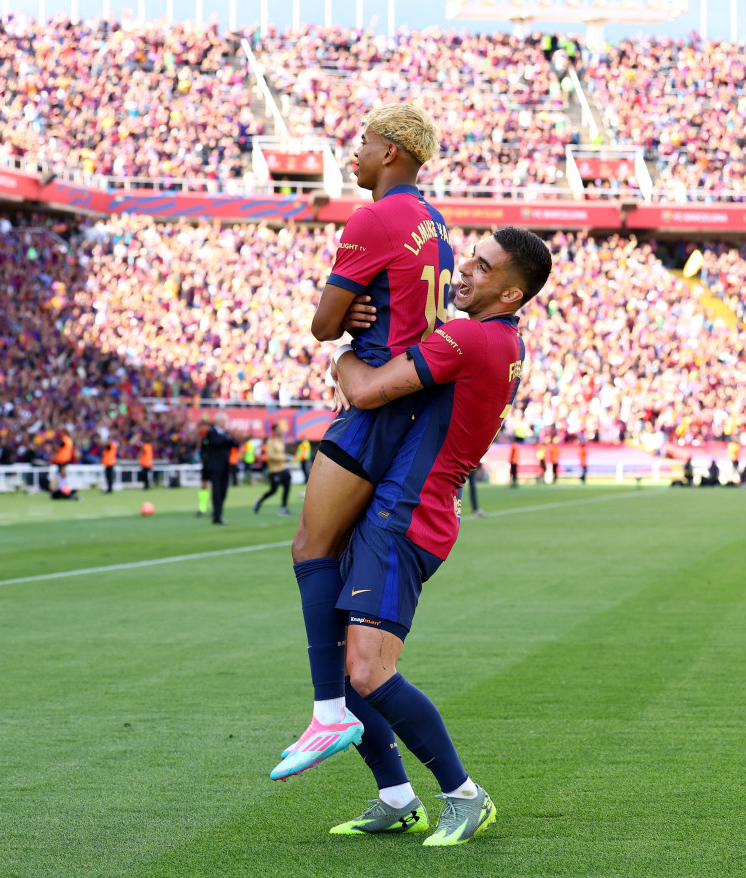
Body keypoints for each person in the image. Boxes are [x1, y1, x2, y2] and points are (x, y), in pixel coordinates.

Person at [297, 227, 552, 846]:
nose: (463, 273)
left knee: (367, 671)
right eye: (468, 257)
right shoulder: (501, 338)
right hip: (407, 512)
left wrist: (342, 351)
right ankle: (395, 796)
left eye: (482, 269)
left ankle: (465, 795)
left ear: (512, 293)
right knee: (344, 659)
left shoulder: (468, 336)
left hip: (405, 518)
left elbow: (360, 390)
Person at [284, 104, 452, 767]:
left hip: (374, 400)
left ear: (391, 152)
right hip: (413, 403)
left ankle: (328, 712)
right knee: (341, 574)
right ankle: (393, 791)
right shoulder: (434, 221)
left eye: (362, 142)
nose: (352, 153)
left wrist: (341, 316)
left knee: (310, 548)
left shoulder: (373, 217)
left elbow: (326, 325)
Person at [201, 413, 236, 525]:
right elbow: (216, 443)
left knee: (223, 492)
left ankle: (218, 513)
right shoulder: (211, 432)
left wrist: (232, 436)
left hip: (225, 466)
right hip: (215, 467)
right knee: (217, 491)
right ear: (217, 421)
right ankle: (217, 516)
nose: (225, 423)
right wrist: (228, 438)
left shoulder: (225, 434)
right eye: (223, 421)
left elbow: (234, 444)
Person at [255, 422, 293, 515]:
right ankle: (260, 500)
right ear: (274, 431)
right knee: (273, 490)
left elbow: (281, 453)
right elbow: (270, 455)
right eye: (279, 429)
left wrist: (285, 457)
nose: (281, 431)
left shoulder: (280, 441)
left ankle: (283, 507)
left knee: (287, 487)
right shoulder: (270, 441)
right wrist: (283, 458)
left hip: (282, 469)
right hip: (274, 470)